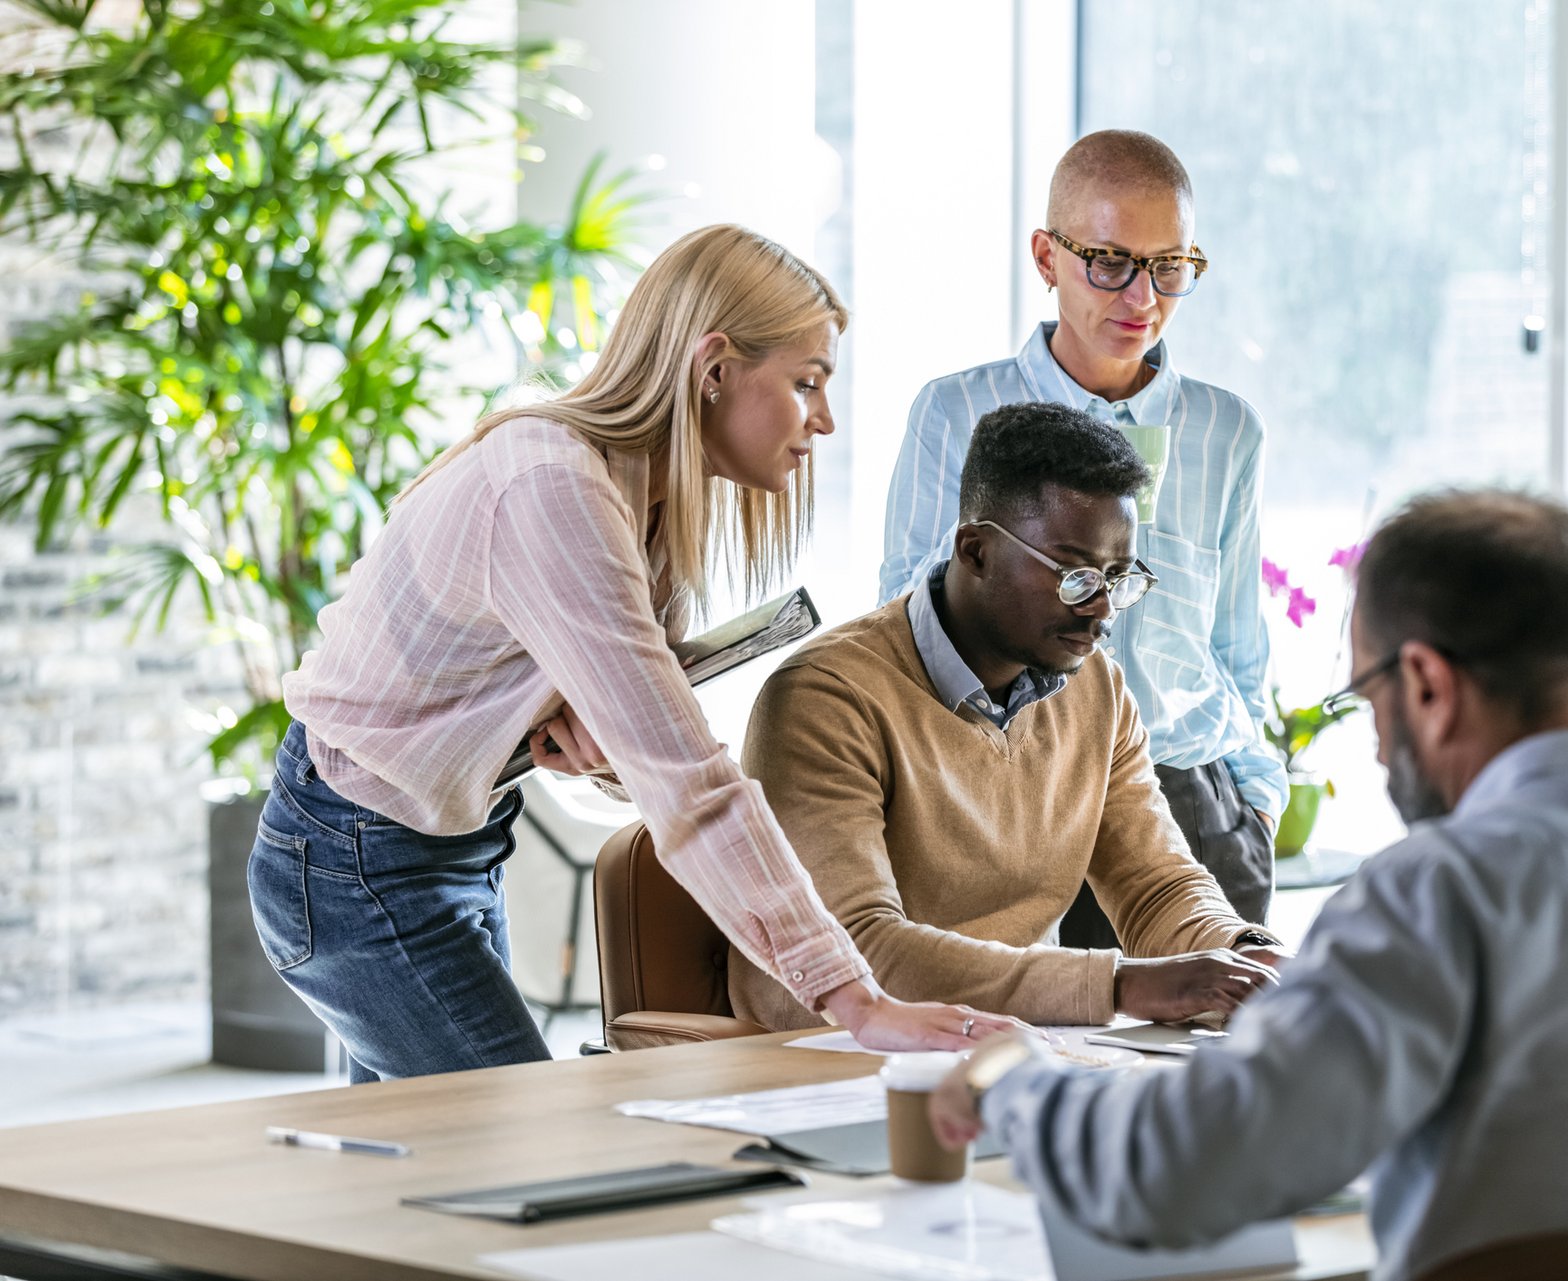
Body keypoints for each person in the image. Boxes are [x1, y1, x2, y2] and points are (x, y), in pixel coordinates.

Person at [930, 490, 1568, 1281]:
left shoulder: (1443, 896)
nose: (1376, 742)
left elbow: (1177, 1172)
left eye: (1366, 695)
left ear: (1426, 682)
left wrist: (1017, 1082)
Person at [248, 225, 1019, 1082]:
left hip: (444, 844)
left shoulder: (645, 506)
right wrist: (856, 998)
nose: (824, 420)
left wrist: (602, 753)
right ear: (714, 366)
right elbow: (691, 786)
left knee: (408, 1175)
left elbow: (636, 757)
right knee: (515, 1149)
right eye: (806, 384)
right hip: (354, 857)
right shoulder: (555, 488)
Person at [731, 403, 1285, 1031]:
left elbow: (1156, 887)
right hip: (825, 1059)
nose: (1102, 611)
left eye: (1117, 576)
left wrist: (1244, 957)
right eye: (1075, 577)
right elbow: (858, 949)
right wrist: (1118, 986)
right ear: (976, 551)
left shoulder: (1096, 689)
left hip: (1006, 1049)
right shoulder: (825, 698)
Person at [880, 129, 1281, 949]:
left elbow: (1239, 641)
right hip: (1010, 794)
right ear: (1046, 256)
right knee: (1015, 1059)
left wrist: (1254, 797)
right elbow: (901, 620)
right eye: (1110, 260)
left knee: (1207, 1065)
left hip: (1187, 802)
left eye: (1169, 266)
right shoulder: (955, 412)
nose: (1142, 296)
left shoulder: (1224, 430)